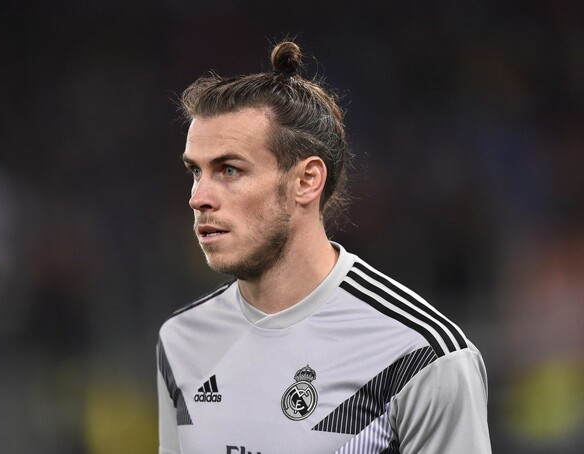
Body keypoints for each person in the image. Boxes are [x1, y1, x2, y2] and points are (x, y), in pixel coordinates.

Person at [157, 40, 491, 454]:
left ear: (306, 181)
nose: (198, 197)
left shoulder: (423, 355)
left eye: (229, 170)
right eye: (195, 171)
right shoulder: (181, 340)